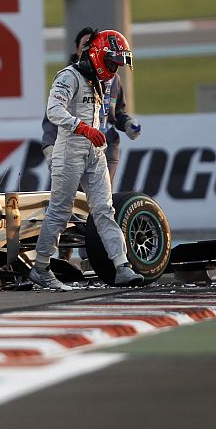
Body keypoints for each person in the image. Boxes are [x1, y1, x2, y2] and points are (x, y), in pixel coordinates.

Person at [29, 29, 144, 291]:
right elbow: (53, 110)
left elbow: (115, 113)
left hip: (95, 151)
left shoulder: (102, 81)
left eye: (118, 63)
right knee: (59, 212)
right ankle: (41, 268)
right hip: (69, 150)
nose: (115, 68)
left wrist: (121, 125)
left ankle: (121, 265)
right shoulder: (68, 76)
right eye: (113, 61)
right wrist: (81, 128)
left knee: (105, 209)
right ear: (98, 54)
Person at [42, 26, 142, 183]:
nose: (89, 49)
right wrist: (50, 147)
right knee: (72, 199)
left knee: (102, 197)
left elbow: (116, 113)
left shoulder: (114, 79)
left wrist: (129, 123)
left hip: (105, 144)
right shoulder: (69, 77)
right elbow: (54, 114)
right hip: (73, 146)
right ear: (77, 50)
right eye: (86, 45)